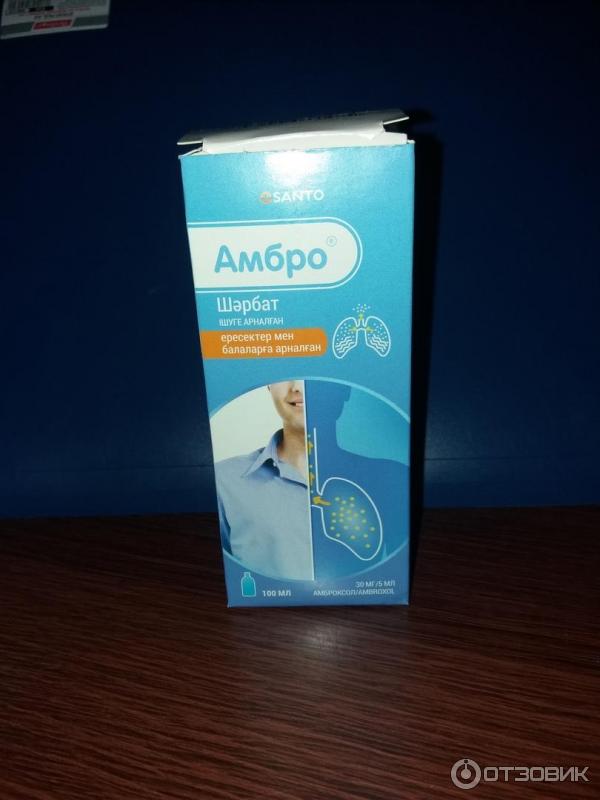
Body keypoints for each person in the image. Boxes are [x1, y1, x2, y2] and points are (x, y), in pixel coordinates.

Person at [215, 380, 313, 581]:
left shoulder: (380, 478)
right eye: (285, 374)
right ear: (268, 385)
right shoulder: (224, 480)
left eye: (312, 374)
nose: (298, 387)